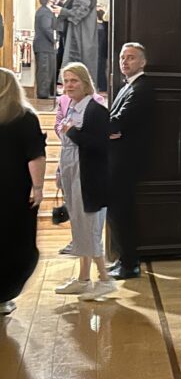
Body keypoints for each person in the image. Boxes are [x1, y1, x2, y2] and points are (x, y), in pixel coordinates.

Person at [53, 62, 116, 302]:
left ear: (85, 82)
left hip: (88, 176)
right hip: (72, 171)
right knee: (79, 225)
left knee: (89, 227)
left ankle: (104, 279)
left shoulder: (95, 110)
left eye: (74, 81)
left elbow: (100, 145)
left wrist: (72, 132)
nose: (69, 85)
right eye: (66, 81)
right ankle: (83, 278)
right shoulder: (71, 107)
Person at [107, 42, 156, 280]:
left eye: (131, 58)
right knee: (116, 211)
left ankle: (129, 263)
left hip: (127, 160)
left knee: (122, 211)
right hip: (118, 157)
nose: (125, 62)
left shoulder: (142, 88)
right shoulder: (127, 86)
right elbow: (113, 124)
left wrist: (114, 129)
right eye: (122, 58)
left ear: (143, 62)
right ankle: (123, 259)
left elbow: (118, 123)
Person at [0, 68, 46, 316]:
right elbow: (35, 156)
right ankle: (4, 296)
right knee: (14, 242)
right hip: (14, 192)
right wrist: (38, 187)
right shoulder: (25, 117)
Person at [51, 0, 98, 81]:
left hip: (81, 35)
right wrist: (62, 5)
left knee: (79, 69)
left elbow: (80, 11)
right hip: (78, 33)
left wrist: (62, 11)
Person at [33, 0, 58, 100]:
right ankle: (43, 93)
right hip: (44, 45)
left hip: (45, 46)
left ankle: (47, 92)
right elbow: (47, 28)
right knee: (45, 70)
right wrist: (55, 39)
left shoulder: (44, 11)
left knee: (48, 69)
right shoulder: (45, 12)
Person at [96, 8, 109, 94]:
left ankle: (102, 87)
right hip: (104, 49)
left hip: (100, 50)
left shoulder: (98, 28)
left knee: (101, 68)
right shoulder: (103, 27)